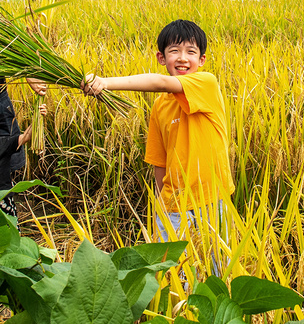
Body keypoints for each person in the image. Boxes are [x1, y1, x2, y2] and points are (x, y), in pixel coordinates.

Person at [81, 19, 233, 271]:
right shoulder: (160, 106)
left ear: (202, 60)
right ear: (161, 58)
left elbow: (161, 82)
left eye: (191, 52)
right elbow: (158, 160)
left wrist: (105, 82)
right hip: (174, 201)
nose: (183, 58)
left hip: (211, 197)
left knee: (217, 267)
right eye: (174, 51)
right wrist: (160, 204)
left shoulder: (207, 83)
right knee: (171, 272)